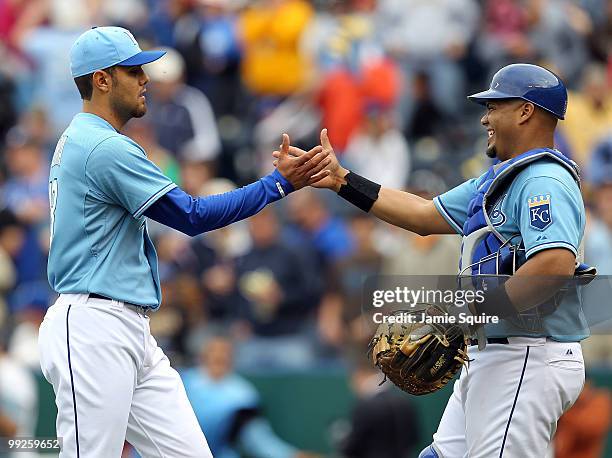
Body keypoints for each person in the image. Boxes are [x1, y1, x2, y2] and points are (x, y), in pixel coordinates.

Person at [37, 26, 331, 458]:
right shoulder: (101, 145)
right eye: (133, 70)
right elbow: (192, 216)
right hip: (93, 324)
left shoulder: (84, 139)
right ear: (101, 80)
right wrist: (277, 185)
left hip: (126, 325)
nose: (145, 79)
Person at [279, 63, 590, 457]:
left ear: (526, 111)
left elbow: (553, 266)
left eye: (494, 106)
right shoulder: (500, 178)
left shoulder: (543, 179)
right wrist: (342, 180)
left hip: (527, 353)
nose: (485, 117)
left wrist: (469, 312)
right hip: (497, 350)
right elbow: (424, 215)